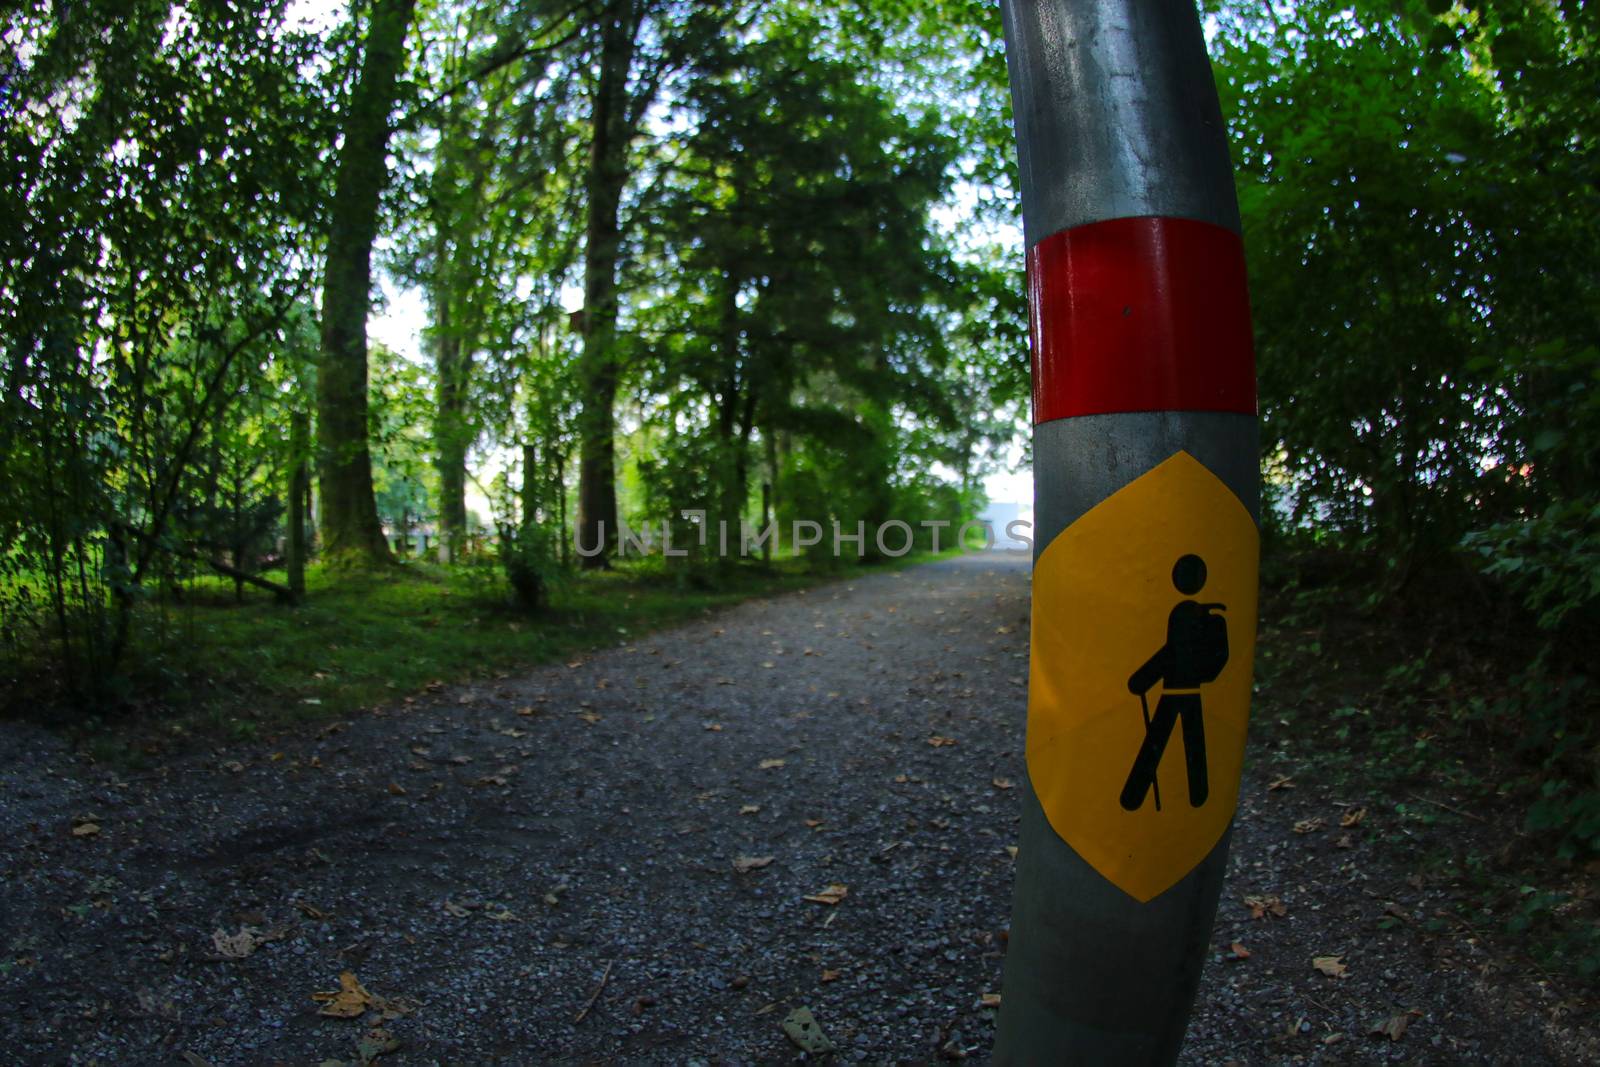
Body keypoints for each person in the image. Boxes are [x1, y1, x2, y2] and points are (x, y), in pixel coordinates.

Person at [1119, 554, 1228, 811]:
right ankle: (1197, 795)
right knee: (1193, 741)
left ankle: (1133, 797)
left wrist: (1141, 680)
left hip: (1172, 690)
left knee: (1157, 741)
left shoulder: (1184, 614)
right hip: (1192, 691)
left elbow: (1170, 652)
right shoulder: (1205, 614)